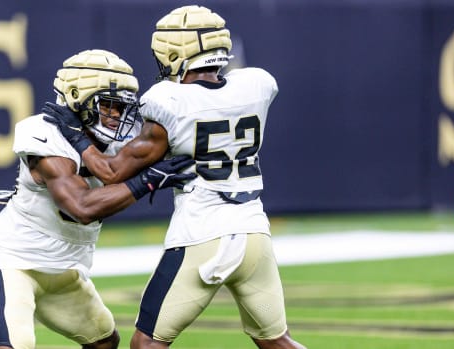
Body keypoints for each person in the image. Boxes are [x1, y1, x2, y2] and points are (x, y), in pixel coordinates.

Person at [42, 5, 307, 349]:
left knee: (146, 343)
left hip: (202, 235)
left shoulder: (170, 100)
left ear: (172, 52)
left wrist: (76, 136)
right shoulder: (256, 85)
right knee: (277, 341)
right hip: (254, 230)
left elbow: (113, 172)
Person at [0, 49, 195, 349]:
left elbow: (119, 167)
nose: (118, 116)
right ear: (78, 98)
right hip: (13, 265)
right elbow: (81, 208)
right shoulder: (44, 134)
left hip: (66, 272)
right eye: (110, 106)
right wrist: (148, 180)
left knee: (104, 342)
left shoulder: (120, 141)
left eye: (123, 107)